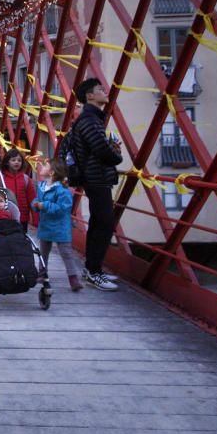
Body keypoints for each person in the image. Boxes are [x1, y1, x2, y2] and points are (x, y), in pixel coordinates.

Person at [71, 78, 124, 291]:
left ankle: (93, 269)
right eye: (100, 89)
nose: (105, 91)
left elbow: (98, 147)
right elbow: (101, 149)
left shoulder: (89, 119)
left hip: (94, 178)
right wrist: (117, 155)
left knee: (98, 224)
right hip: (96, 178)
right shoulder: (90, 120)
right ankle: (93, 272)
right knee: (104, 224)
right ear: (89, 96)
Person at [32, 158, 83, 291]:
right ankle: (42, 273)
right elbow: (38, 199)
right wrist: (35, 204)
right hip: (46, 225)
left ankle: (73, 278)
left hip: (60, 227)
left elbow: (62, 209)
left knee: (66, 253)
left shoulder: (63, 191)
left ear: (52, 173)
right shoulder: (42, 186)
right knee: (43, 251)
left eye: (45, 165)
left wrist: (44, 205)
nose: (41, 166)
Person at [0, 148, 38, 231]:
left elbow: (32, 200)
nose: (16, 162)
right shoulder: (1, 178)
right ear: (7, 162)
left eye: (19, 160)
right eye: (13, 160)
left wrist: (35, 220)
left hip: (23, 218)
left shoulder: (26, 179)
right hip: (6, 217)